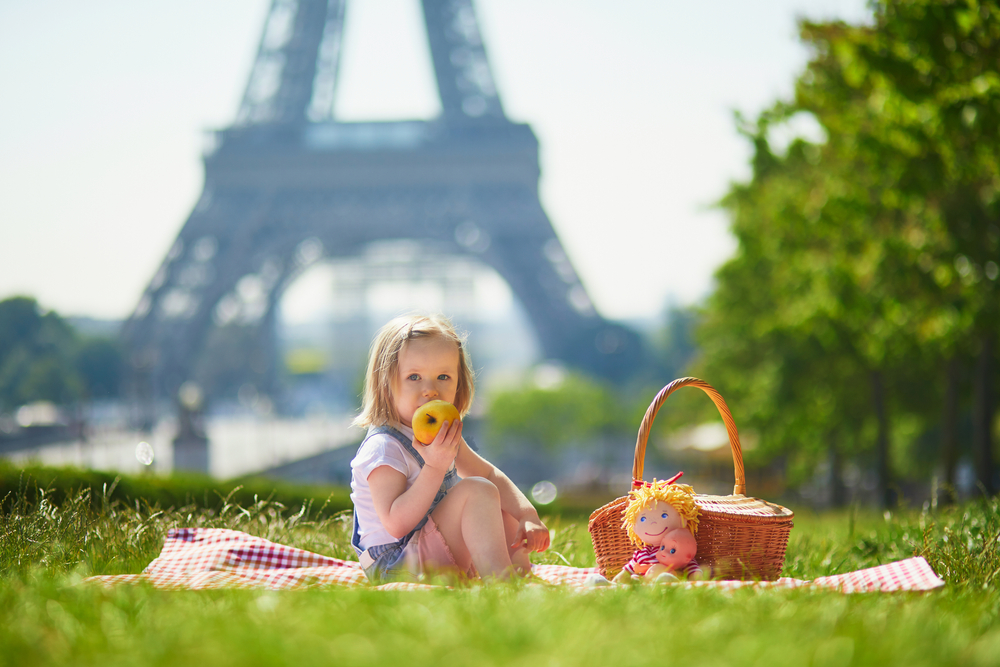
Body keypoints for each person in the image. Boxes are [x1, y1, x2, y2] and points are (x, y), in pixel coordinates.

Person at [350, 314, 550, 583]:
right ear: (386, 385)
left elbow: (491, 476)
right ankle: (503, 587)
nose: (430, 390)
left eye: (443, 376)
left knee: (494, 494)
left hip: (431, 552)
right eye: (414, 377)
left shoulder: (443, 432)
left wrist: (526, 513)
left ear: (460, 384)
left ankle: (520, 578)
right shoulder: (384, 448)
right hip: (395, 566)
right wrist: (434, 467)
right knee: (477, 492)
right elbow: (396, 524)